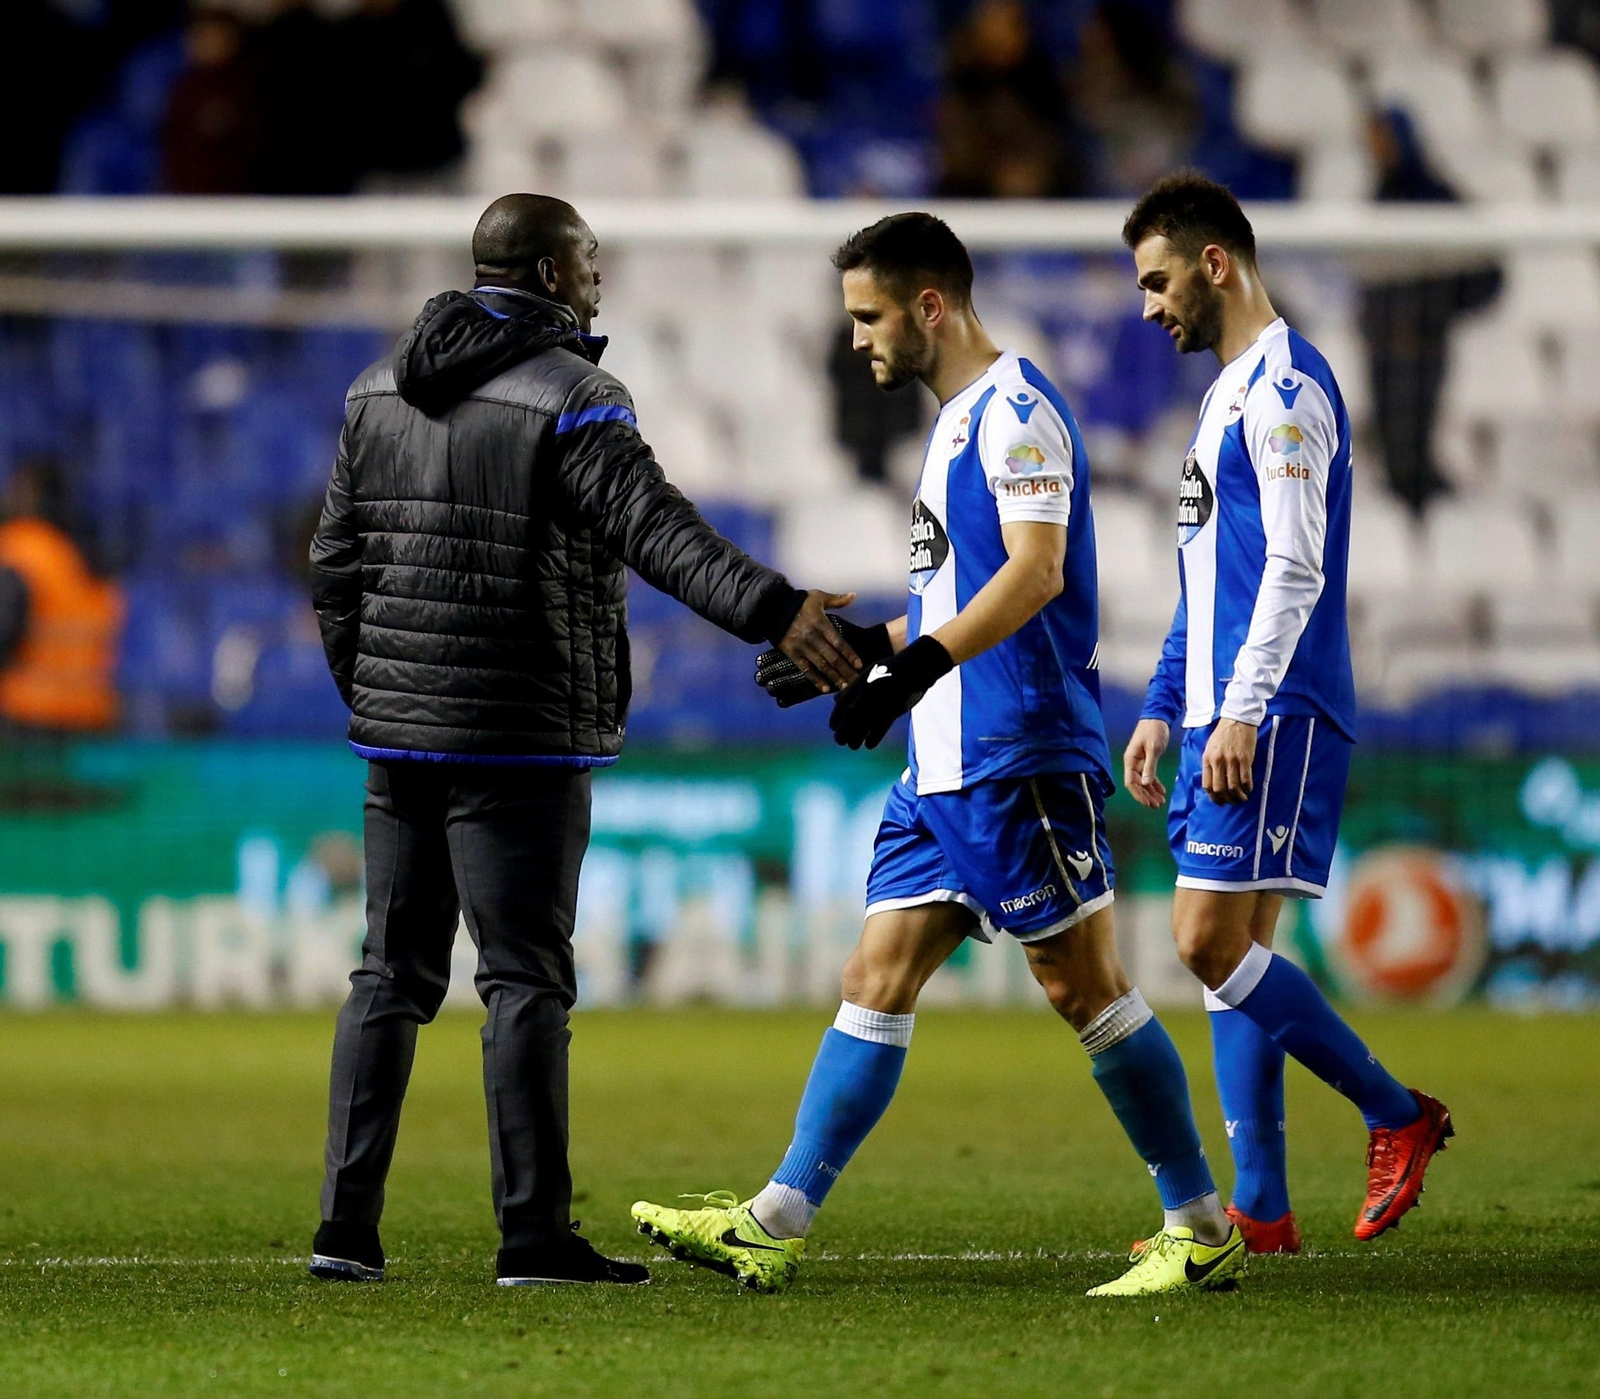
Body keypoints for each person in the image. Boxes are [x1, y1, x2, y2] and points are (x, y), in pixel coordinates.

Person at [631, 213, 1247, 1300]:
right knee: (875, 975)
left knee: (1085, 986)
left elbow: (1036, 572)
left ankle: (1199, 1223)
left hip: (1015, 752)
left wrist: (912, 670)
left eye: (869, 316)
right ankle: (774, 1219)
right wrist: (869, 650)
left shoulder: (1015, 412)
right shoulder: (960, 420)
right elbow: (960, 594)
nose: (857, 338)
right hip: (945, 761)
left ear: (930, 305)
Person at [306, 193, 860, 1288]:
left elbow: (334, 566)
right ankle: (531, 1237)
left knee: (388, 975)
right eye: (589, 262)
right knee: (522, 979)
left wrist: (381, 696)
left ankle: (343, 1232)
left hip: (401, 739)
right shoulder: (572, 395)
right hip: (517, 741)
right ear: (555, 277)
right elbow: (651, 528)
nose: (600, 279)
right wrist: (774, 604)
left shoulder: (374, 390)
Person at [1120, 172, 1454, 1256]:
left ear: (1216, 262)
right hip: (1230, 704)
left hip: (1278, 706)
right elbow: (1208, 574)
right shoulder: (1223, 395)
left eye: (1159, 279)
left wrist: (1242, 709)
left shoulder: (1286, 388)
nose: (1149, 306)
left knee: (1204, 939)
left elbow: (1298, 565)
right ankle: (1259, 1210)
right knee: (1239, 947)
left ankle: (1396, 1111)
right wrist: (1166, 703)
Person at [0, 458, 122, 737]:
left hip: (26, 720)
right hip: (92, 719)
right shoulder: (89, 555)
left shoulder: (23, 548)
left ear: (32, 493)